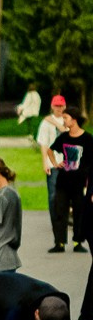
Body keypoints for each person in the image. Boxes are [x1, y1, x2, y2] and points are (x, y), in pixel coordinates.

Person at [53, 108, 93, 254]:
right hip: (63, 182)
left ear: (74, 119)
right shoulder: (63, 137)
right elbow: (51, 150)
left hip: (80, 183)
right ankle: (60, 242)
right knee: (60, 212)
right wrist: (55, 163)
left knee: (79, 213)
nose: (63, 120)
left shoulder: (88, 139)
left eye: (66, 117)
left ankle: (78, 242)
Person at [39, 95, 73, 253]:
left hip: (68, 165)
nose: (59, 109)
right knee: (53, 198)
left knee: (70, 198)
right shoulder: (46, 123)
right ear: (52, 106)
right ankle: (58, 239)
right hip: (53, 165)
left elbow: (70, 134)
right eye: (56, 106)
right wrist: (45, 161)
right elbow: (44, 143)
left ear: (64, 106)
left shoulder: (68, 120)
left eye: (61, 106)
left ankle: (73, 232)